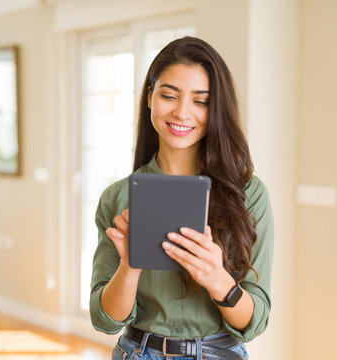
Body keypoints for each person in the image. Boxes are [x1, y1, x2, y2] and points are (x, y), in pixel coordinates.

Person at [90, 36, 274, 360]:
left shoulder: (249, 195)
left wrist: (217, 279)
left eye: (200, 101)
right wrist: (130, 266)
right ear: (150, 97)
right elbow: (105, 320)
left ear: (215, 108)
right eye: (169, 95)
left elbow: (254, 322)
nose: (182, 112)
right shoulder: (117, 198)